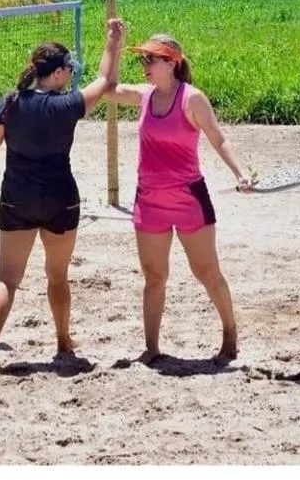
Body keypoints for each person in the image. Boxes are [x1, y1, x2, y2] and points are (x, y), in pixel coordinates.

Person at [0, 17, 125, 378]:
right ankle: (63, 342)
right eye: (68, 70)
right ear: (55, 73)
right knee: (57, 276)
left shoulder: (9, 103)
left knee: (7, 279)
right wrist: (113, 44)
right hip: (60, 199)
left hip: (17, 198)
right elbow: (105, 82)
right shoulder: (66, 105)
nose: (70, 75)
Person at [104, 33, 251, 364]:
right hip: (149, 200)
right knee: (154, 277)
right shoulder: (144, 96)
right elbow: (108, 89)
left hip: (189, 200)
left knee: (207, 273)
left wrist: (240, 173)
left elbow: (219, 139)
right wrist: (113, 45)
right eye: (141, 59)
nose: (144, 66)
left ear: (171, 63)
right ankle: (152, 349)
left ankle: (229, 332)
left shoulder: (192, 99)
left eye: (150, 60)